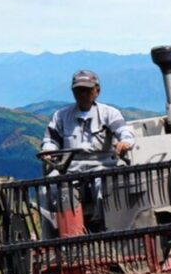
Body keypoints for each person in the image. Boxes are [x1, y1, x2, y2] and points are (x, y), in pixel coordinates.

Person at [39, 70, 135, 233]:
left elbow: (125, 133)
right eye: (78, 90)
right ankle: (55, 236)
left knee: (104, 187)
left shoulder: (109, 113)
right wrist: (48, 151)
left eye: (87, 89)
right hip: (70, 169)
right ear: (73, 92)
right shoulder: (61, 116)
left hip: (102, 166)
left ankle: (103, 230)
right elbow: (50, 140)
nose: (82, 94)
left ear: (97, 91)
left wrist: (125, 143)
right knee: (47, 188)